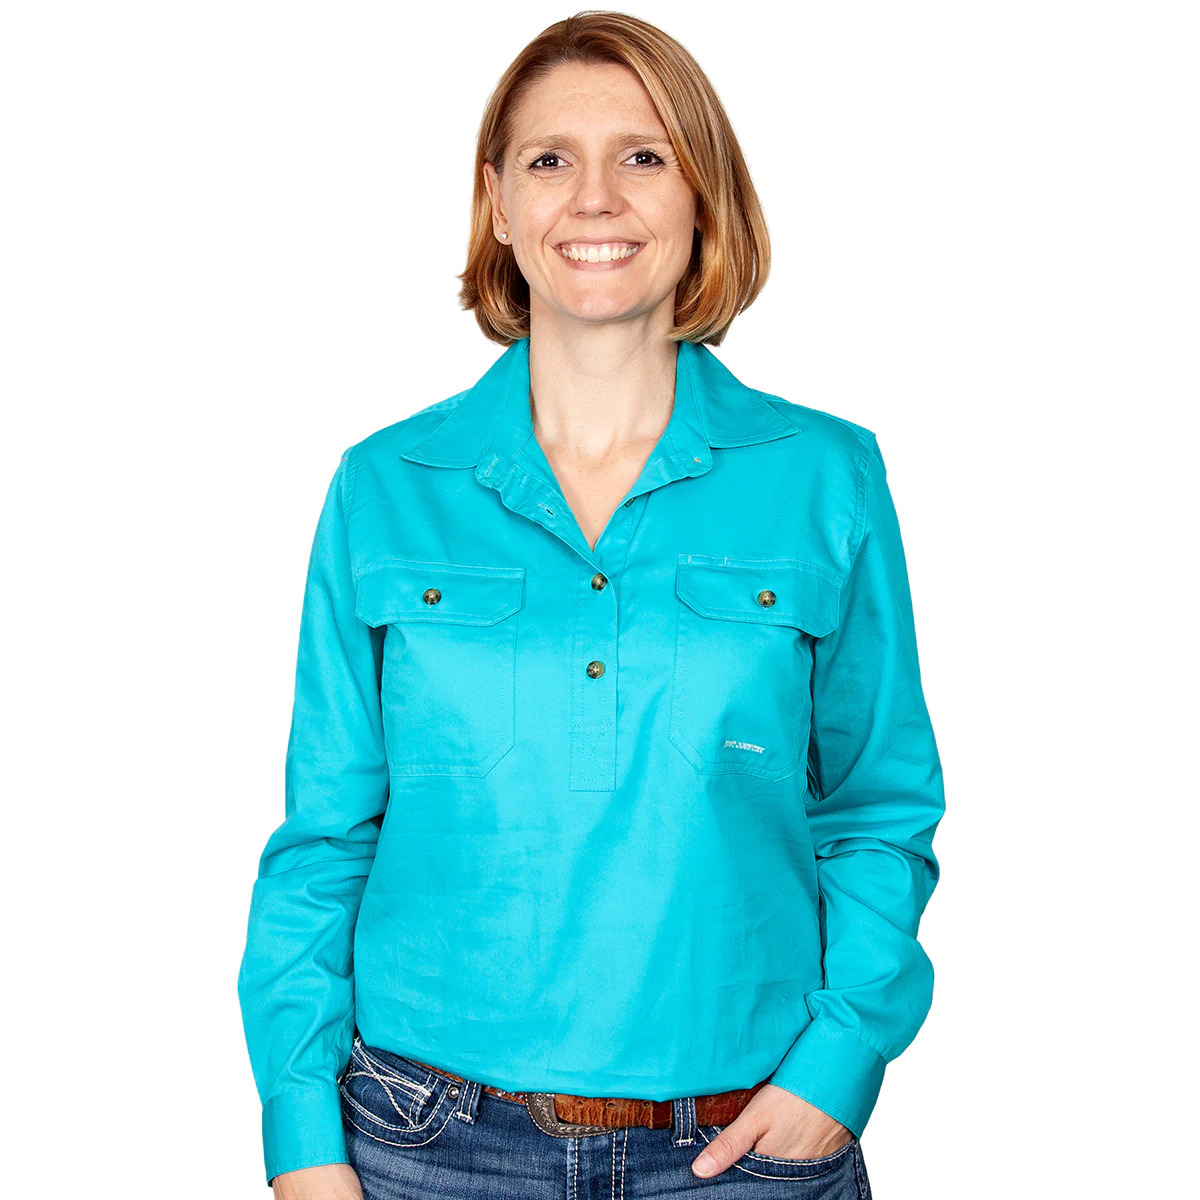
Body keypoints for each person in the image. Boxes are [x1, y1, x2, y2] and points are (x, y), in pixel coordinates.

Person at [236, 11, 945, 1199]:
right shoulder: (385, 486)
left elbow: (877, 807)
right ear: (498, 204)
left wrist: (839, 1066)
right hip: (422, 1148)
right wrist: (299, 1136)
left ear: (703, 196)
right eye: (551, 159)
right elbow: (324, 841)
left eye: (645, 156)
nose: (596, 198)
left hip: (743, 1151)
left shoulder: (825, 477)